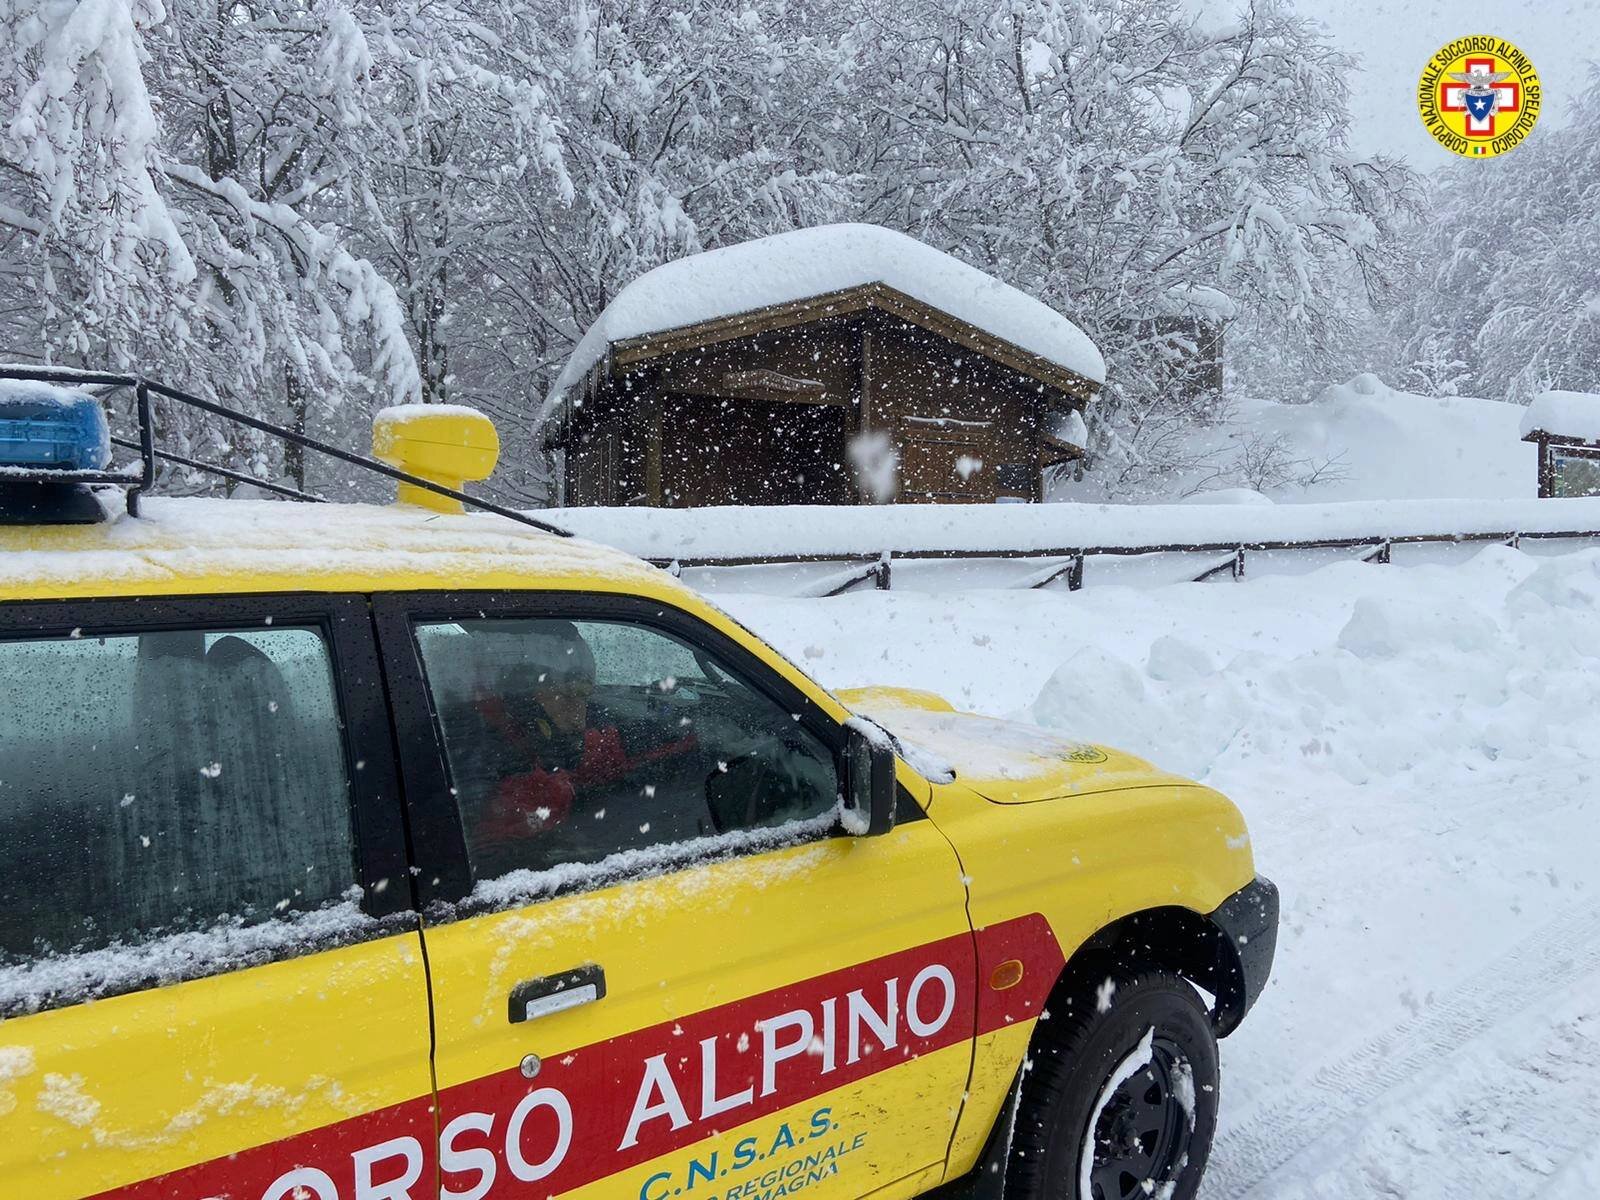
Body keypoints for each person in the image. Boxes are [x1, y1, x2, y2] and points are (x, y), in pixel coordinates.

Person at [471, 621, 695, 845]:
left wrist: (679, 735)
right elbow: (504, 853)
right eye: (568, 694)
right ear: (527, 699)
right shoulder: (500, 767)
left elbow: (600, 753)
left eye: (585, 694)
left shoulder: (545, 740)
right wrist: (572, 845)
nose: (580, 711)